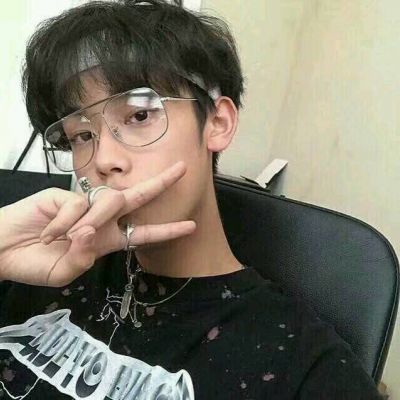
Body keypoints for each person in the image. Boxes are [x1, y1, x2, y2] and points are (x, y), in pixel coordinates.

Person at [0, 1, 383, 399]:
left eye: (139, 115)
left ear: (217, 122)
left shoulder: (299, 363)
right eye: (81, 135)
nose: (103, 160)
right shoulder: (41, 264)